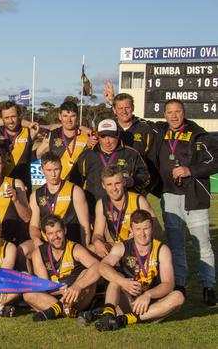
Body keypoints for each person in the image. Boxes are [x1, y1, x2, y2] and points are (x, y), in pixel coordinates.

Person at [149, 99, 218, 305]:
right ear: (164, 115)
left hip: (193, 197)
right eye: (169, 112)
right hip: (169, 197)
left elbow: (216, 160)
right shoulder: (160, 132)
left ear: (184, 112)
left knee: (202, 244)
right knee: (177, 245)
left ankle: (208, 286)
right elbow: (133, 122)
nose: (174, 116)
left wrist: (191, 171)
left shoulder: (199, 134)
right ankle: (179, 284)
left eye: (177, 111)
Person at [95, 210, 185, 331]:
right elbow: (102, 266)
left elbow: (168, 284)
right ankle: (108, 315)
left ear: (152, 228)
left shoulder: (162, 250)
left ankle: (125, 319)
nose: (142, 234)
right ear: (131, 230)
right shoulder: (121, 247)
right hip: (129, 300)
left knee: (178, 297)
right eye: (138, 229)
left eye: (146, 229)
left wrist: (148, 294)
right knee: (115, 279)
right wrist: (123, 282)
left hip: (152, 303)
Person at [24, 215, 99, 321]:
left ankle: (56, 310)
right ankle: (69, 312)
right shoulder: (38, 253)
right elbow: (44, 286)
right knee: (27, 294)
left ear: (65, 230)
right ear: (45, 236)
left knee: (87, 272)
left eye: (58, 231)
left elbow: (98, 266)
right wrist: (59, 291)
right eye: (50, 233)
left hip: (76, 297)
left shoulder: (76, 248)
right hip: (52, 297)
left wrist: (77, 286)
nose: (55, 237)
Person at [25, 152, 90, 255]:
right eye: (49, 170)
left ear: (61, 168)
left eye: (56, 169)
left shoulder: (75, 190)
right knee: (22, 250)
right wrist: (36, 240)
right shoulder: (35, 195)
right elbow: (33, 226)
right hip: (46, 242)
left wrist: (85, 246)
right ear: (42, 170)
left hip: (69, 242)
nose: (53, 174)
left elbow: (84, 224)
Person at [91, 165, 161, 257]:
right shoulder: (101, 203)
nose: (114, 188)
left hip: (137, 245)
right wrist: (97, 242)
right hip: (115, 246)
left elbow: (157, 231)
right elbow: (97, 234)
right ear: (103, 185)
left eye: (117, 183)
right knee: (90, 249)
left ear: (124, 182)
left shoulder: (138, 200)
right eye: (109, 184)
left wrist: (139, 236)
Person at [77, 118, 150, 203]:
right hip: (93, 207)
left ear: (118, 135)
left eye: (111, 136)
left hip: (123, 207)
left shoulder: (131, 154)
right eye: (103, 136)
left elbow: (146, 177)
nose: (107, 141)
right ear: (98, 137)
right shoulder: (87, 155)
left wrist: (134, 181)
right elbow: (77, 181)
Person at [103, 83, 158, 192]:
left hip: (136, 187)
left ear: (132, 107)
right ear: (114, 110)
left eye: (127, 107)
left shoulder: (144, 128)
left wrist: (145, 185)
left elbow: (152, 160)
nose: (124, 111)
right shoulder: (109, 128)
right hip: (111, 187)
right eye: (120, 108)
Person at [35, 102, 93, 182]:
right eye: (65, 116)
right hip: (57, 185)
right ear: (60, 116)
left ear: (77, 117)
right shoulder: (52, 135)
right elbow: (39, 155)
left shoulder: (85, 135)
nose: (69, 120)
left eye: (72, 116)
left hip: (79, 185)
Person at [0, 102, 35, 192]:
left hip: (23, 186)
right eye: (6, 118)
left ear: (19, 116)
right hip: (1, 186)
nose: (11, 121)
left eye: (13, 116)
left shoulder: (30, 131)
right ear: (1, 119)